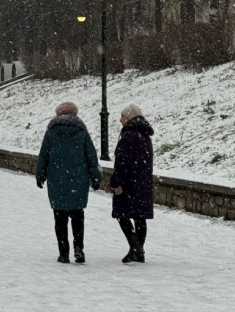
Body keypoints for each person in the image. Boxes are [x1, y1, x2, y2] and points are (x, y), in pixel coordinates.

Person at [35, 101, 102, 264]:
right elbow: (91, 157)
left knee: (60, 218)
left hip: (56, 179)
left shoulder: (51, 132)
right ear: (75, 114)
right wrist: (96, 177)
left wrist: (40, 175)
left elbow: (43, 156)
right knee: (78, 216)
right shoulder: (82, 131)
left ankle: (63, 253)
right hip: (78, 180)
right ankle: (78, 248)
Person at [107, 104, 154, 264]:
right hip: (143, 182)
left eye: (122, 116)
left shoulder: (128, 136)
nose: (120, 120)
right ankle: (138, 251)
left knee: (122, 214)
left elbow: (123, 162)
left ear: (129, 118)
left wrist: (116, 182)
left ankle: (135, 247)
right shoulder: (145, 135)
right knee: (140, 217)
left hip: (128, 183)